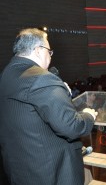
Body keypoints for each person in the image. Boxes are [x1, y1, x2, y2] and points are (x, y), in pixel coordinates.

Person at [0, 28, 98, 185]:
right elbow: (71, 126)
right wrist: (88, 115)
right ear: (38, 50)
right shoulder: (42, 79)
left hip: (20, 170)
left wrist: (59, 93)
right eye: (49, 51)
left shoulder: (6, 75)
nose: (50, 56)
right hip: (52, 173)